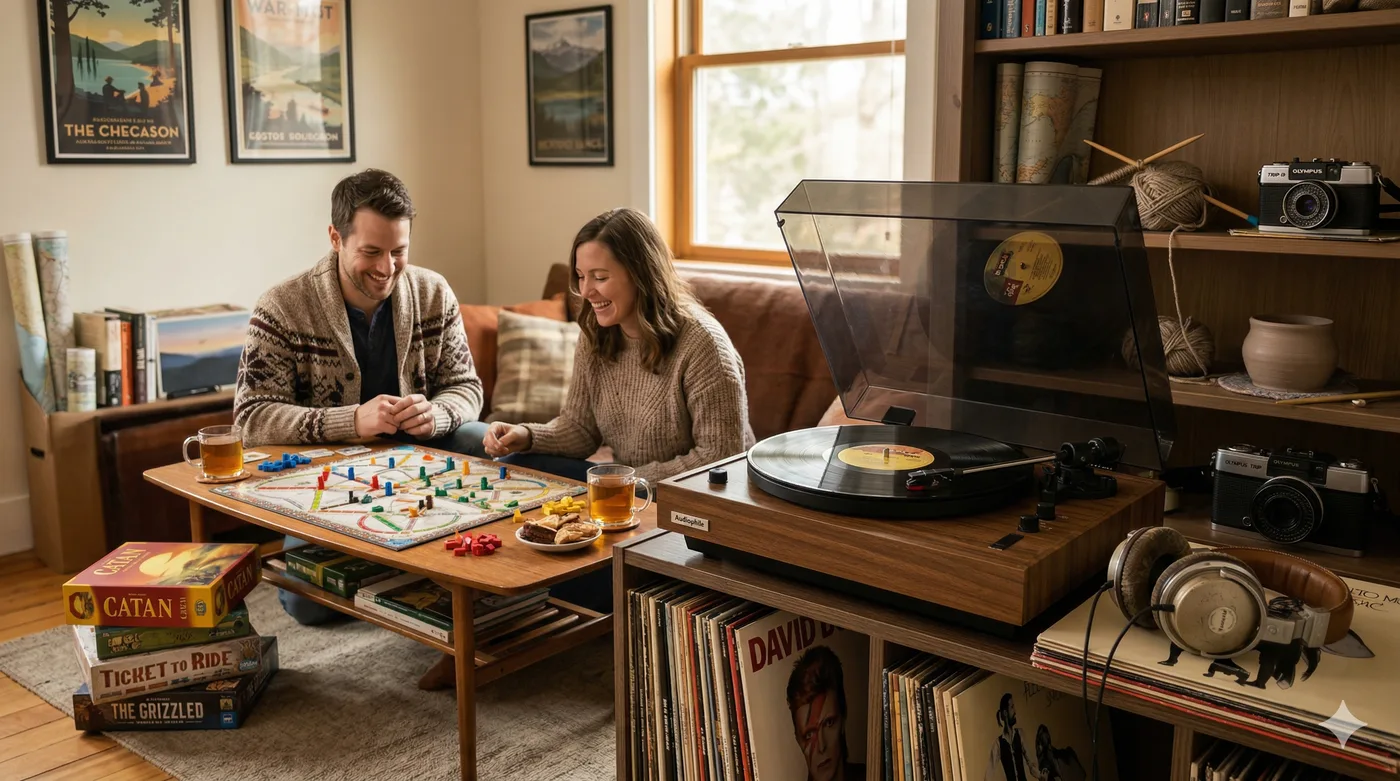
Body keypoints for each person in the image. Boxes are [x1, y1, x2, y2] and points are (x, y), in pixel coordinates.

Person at [234, 168, 489, 626]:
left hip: (426, 459)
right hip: (329, 479)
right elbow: (250, 419)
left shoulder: (434, 293)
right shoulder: (282, 306)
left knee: (480, 435)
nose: (386, 268)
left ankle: (442, 563)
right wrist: (351, 422)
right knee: (310, 606)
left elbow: (467, 386)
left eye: (399, 251)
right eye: (371, 252)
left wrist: (439, 413)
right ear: (335, 237)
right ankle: (403, 562)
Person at [481, 206, 755, 486]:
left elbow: (720, 456)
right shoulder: (595, 333)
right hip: (628, 487)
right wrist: (526, 436)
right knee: (515, 464)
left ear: (642, 275)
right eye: (580, 276)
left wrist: (627, 482)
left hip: (697, 497)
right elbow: (580, 428)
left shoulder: (702, 344)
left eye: (600, 277)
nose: (586, 291)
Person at [785, 645, 864, 781]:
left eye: (829, 723)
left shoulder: (874, 774)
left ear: (843, 718)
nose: (821, 746)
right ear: (798, 739)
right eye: (809, 735)